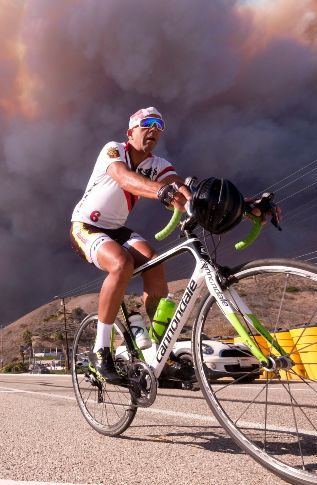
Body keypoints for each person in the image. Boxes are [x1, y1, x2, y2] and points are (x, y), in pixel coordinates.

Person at [69, 107, 277, 384]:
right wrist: (160, 191)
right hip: (86, 226)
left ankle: (160, 354)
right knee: (121, 263)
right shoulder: (114, 150)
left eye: (159, 125)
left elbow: (185, 192)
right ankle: (101, 351)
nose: (153, 129)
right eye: (146, 124)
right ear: (130, 131)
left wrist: (244, 206)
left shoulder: (157, 165)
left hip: (117, 230)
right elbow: (122, 177)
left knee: (154, 263)